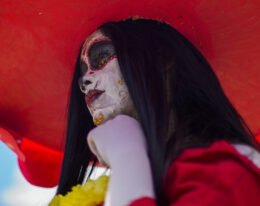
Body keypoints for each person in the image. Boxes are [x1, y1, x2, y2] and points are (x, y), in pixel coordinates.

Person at [56, 18, 260, 206]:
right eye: (82, 73)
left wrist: (126, 158)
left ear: (163, 63)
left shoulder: (226, 173)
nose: (84, 82)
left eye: (101, 58)